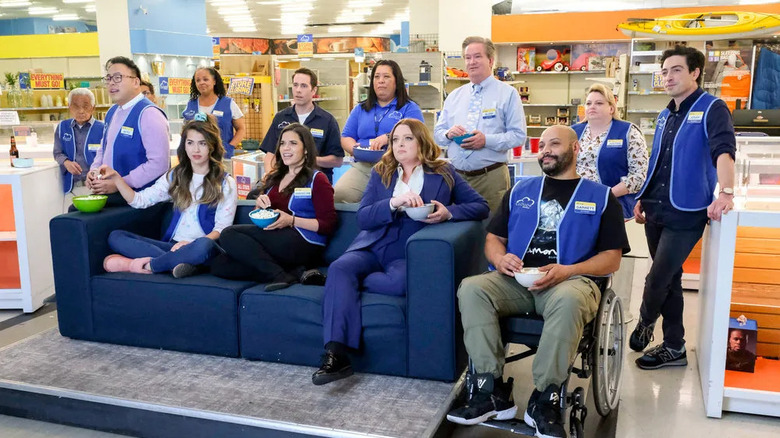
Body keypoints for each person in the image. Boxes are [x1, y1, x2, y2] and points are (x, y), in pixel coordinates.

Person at [447, 125, 628, 438]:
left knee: (569, 299)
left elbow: (612, 258)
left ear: (576, 149)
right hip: (518, 281)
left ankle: (546, 398)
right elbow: (493, 238)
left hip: (571, 282)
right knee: (472, 288)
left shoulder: (601, 197)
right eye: (542, 144)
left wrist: (569, 270)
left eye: (554, 144)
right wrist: (500, 258)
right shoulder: (520, 191)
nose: (545, 150)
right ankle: (489, 390)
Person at [312, 118, 489, 385]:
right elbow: (364, 218)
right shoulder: (381, 171)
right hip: (373, 245)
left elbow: (480, 206)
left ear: (422, 142)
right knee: (340, 267)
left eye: (407, 138)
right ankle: (336, 355)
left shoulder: (443, 172)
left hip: (408, 251)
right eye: (395, 139)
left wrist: (448, 212)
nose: (399, 145)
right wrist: (392, 203)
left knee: (396, 283)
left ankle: (341, 285)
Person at [630, 46, 736, 370]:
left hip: (686, 211)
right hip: (655, 208)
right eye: (664, 71)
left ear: (695, 73)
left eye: (676, 70)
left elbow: (724, 150)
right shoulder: (665, 114)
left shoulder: (712, 108)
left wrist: (727, 192)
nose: (668, 77)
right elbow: (657, 160)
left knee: (657, 277)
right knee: (671, 278)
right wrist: (642, 195)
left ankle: (645, 321)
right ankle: (675, 346)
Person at [100, 113, 237, 278]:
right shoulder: (175, 176)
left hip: (202, 248)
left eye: (202, 143)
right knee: (116, 237)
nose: (196, 149)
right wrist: (116, 178)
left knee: (204, 245)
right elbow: (140, 200)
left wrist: (191, 244)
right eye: (190, 143)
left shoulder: (226, 183)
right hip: (172, 247)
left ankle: (148, 265)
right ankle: (177, 264)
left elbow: (222, 229)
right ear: (184, 146)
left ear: (212, 146)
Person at [211, 123, 337, 291]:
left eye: (293, 143)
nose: (286, 148)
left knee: (229, 233)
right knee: (219, 265)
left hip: (304, 241)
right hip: (276, 239)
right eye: (283, 143)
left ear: (306, 149)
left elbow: (328, 224)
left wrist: (291, 220)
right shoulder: (275, 178)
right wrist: (259, 206)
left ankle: (280, 276)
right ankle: (292, 272)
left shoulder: (317, 179)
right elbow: (266, 214)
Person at [434, 36, 527, 212]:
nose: (471, 62)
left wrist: (486, 140)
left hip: (490, 178)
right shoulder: (454, 96)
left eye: (477, 56)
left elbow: (518, 136)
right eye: (467, 58)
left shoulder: (508, 94)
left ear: (490, 60)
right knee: (459, 233)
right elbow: (438, 134)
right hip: (457, 180)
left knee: (491, 232)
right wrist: (448, 134)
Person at [333, 60, 424, 203]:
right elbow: (346, 137)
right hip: (363, 167)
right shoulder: (360, 109)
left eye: (386, 77)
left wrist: (389, 137)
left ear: (396, 81)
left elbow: (418, 136)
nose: (381, 81)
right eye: (377, 77)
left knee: (389, 202)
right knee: (339, 195)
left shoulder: (409, 108)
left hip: (396, 167)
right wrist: (355, 148)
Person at [88, 56, 170, 198]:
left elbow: (159, 163)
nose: (111, 83)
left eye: (118, 77)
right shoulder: (112, 112)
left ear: (135, 82)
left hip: (140, 197)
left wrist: (120, 183)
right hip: (112, 194)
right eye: (108, 78)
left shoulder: (149, 113)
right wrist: (94, 171)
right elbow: (104, 147)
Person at [572, 83, 648, 219]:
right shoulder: (573, 132)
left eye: (599, 103)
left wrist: (605, 195)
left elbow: (638, 176)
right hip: (577, 203)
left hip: (615, 204)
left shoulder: (629, 132)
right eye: (588, 103)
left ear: (611, 108)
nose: (592, 107)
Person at [260, 68, 343, 182]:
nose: (298, 90)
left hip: (315, 183)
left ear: (314, 90)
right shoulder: (281, 118)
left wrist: (309, 160)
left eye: (304, 86)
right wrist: (270, 176)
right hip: (284, 181)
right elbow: (270, 155)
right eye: (295, 85)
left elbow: (337, 161)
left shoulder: (327, 121)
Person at [52, 88, 104, 212]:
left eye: (86, 106)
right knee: (71, 220)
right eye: (76, 106)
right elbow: (57, 153)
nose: (81, 111)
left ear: (93, 107)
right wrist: (66, 162)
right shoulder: (62, 127)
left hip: (95, 187)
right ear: (69, 107)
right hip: (71, 187)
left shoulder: (103, 128)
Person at [182, 67, 246, 159]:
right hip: (196, 159)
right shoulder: (190, 105)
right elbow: (184, 132)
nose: (201, 83)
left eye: (205, 79)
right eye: (198, 80)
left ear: (214, 81)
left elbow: (241, 129)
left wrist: (230, 147)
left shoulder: (228, 104)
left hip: (222, 159)